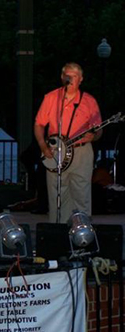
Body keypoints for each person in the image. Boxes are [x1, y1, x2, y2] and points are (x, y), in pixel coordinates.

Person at [34, 62, 102, 223]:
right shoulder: (51, 98)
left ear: (81, 79)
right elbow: (39, 124)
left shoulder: (89, 101)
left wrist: (94, 136)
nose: (70, 79)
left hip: (81, 151)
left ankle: (81, 234)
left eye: (75, 76)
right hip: (55, 150)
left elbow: (98, 129)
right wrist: (43, 146)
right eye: (68, 75)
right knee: (57, 194)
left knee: (81, 194)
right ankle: (58, 234)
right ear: (62, 77)